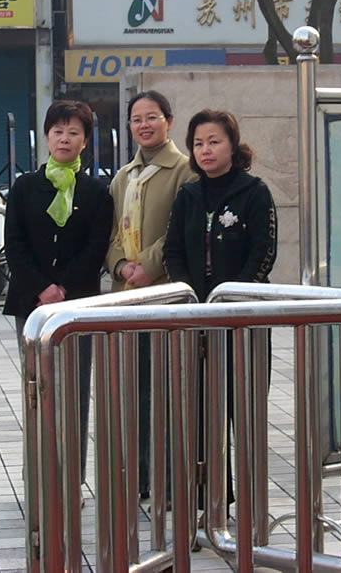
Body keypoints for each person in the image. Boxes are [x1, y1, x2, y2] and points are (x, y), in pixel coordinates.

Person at [164, 109, 277, 506]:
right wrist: (190, 296)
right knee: (201, 410)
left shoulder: (254, 192)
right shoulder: (188, 195)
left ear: (232, 144)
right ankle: (210, 498)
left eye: (214, 141)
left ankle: (252, 501)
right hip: (198, 317)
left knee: (243, 408)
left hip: (243, 318)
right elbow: (173, 251)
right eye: (198, 144)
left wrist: (231, 296)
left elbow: (264, 253)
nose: (205, 150)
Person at [4, 100, 113, 483]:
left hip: (77, 304)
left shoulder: (97, 192)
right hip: (31, 305)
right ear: (46, 137)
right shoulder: (24, 187)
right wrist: (42, 287)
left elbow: (96, 249)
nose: (64, 139)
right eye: (58, 131)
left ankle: (72, 477)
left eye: (73, 132)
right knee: (37, 388)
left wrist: (63, 287)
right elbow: (14, 244)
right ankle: (37, 475)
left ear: (85, 140)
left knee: (75, 390)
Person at [106, 90, 198, 499]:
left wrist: (146, 265)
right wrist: (121, 266)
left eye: (152, 117)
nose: (144, 125)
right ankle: (140, 475)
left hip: (164, 295)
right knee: (134, 389)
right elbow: (111, 234)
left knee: (167, 389)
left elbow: (179, 230)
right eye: (136, 119)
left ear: (169, 121)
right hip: (125, 296)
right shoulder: (123, 177)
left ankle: (169, 477)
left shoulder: (185, 171)